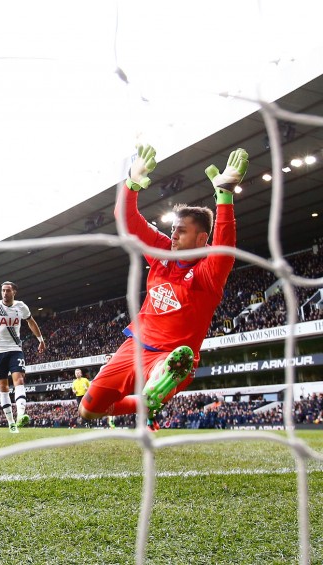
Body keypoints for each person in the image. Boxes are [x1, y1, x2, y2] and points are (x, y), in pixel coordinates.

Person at [79, 144, 248, 430]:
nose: (173, 235)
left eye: (181, 231)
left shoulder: (208, 272)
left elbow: (225, 249)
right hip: (135, 346)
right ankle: (145, 406)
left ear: (201, 238)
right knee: (88, 410)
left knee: (165, 372)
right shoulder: (161, 252)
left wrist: (225, 195)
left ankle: (163, 381)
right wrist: (131, 183)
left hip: (172, 354)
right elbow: (127, 220)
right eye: (173, 229)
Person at [0, 281, 46, 433]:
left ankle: (21, 415)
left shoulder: (21, 306)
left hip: (15, 349)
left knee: (19, 379)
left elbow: (31, 322)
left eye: (8, 290)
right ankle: (11, 422)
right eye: (3, 290)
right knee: (3, 387)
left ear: (14, 292)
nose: (5, 293)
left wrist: (40, 340)